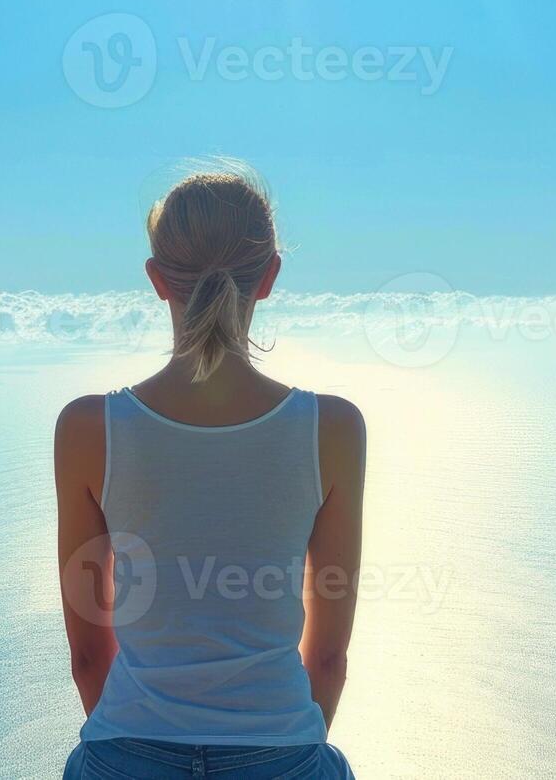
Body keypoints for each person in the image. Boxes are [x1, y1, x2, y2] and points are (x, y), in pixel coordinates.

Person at [55, 164, 366, 780]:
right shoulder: (332, 429)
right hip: (283, 754)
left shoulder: (89, 429)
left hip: (126, 753)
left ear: (156, 281)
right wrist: (280, 748)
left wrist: (139, 746)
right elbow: (327, 658)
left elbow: (90, 656)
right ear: (270, 276)